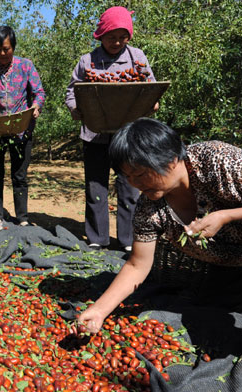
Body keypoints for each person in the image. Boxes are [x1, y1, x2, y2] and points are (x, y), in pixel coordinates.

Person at [78, 118, 242, 333]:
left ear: (171, 159)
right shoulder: (149, 208)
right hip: (230, 266)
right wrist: (99, 310)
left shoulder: (218, 162)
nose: (134, 184)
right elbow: (137, 265)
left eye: (139, 174)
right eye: (127, 176)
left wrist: (227, 216)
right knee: (210, 314)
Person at [65, 6, 158, 252]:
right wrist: (75, 108)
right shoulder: (88, 61)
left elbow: (150, 85)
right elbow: (72, 91)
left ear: (129, 36)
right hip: (95, 134)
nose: (116, 42)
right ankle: (97, 237)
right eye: (111, 37)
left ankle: (128, 240)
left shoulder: (137, 58)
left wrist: (152, 101)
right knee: (96, 186)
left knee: (130, 185)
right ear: (101, 35)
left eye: (122, 37)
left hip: (129, 136)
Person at [0, 26, 45, 232]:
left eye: (6, 49)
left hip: (21, 129)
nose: (2, 54)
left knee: (19, 175)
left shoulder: (26, 66)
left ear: (13, 47)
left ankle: (22, 217)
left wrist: (35, 106)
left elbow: (38, 92)